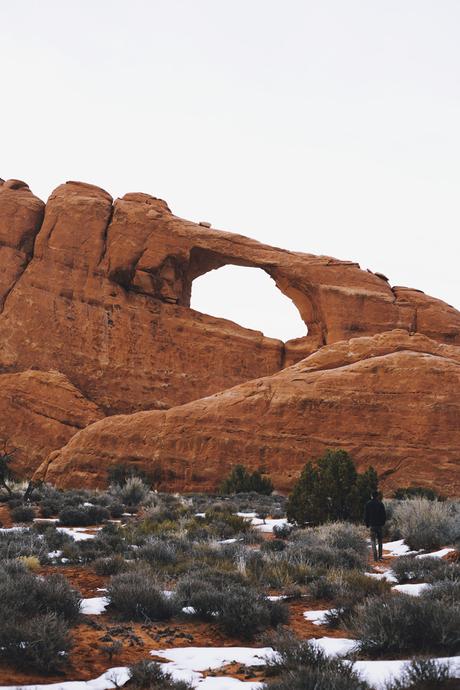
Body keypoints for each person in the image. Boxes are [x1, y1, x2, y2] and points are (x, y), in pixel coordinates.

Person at [364, 490, 386, 562]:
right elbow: (384, 515)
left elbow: (366, 515)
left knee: (373, 541)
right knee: (380, 541)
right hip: (379, 525)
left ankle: (375, 557)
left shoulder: (368, 504)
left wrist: (367, 524)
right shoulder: (380, 504)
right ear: (377, 496)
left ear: (371, 496)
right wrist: (383, 523)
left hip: (372, 525)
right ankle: (380, 556)